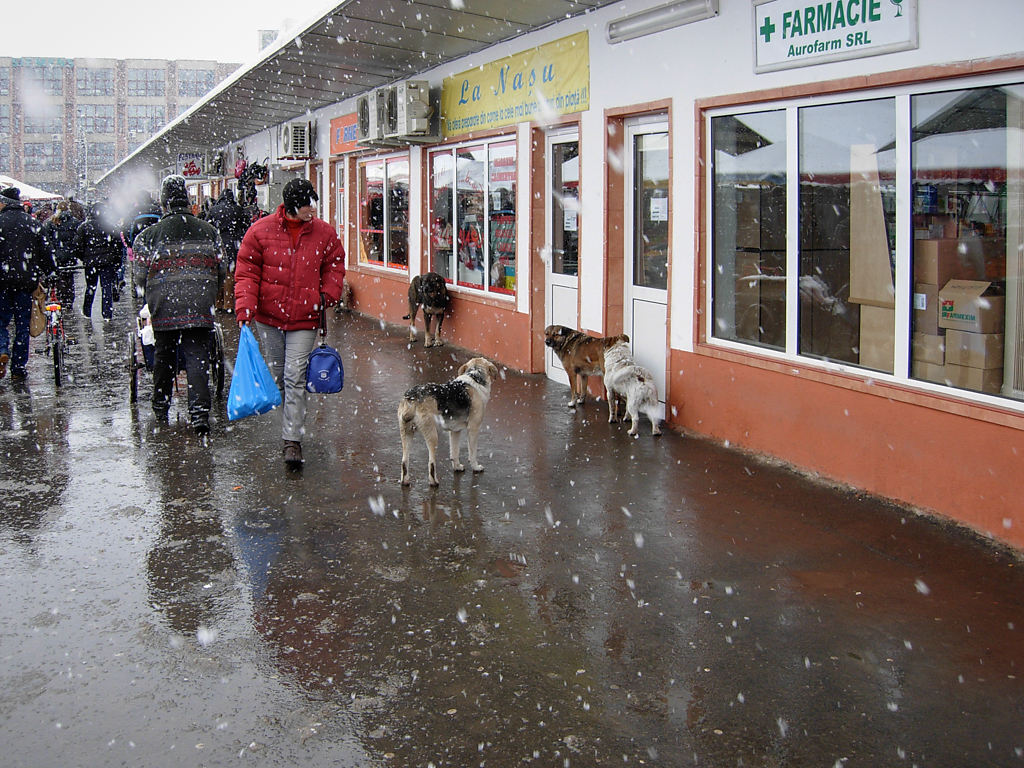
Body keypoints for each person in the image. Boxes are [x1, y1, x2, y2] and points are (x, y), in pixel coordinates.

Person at [234, 178, 346, 468]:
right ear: (294, 205)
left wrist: (327, 295)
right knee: (280, 376)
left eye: (314, 202)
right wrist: (245, 309)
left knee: (295, 376)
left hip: (305, 318)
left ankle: (292, 440)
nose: (313, 208)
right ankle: (290, 422)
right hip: (268, 319)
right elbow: (247, 273)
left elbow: (334, 265)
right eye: (308, 203)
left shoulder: (324, 233)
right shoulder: (259, 232)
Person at [133, 175, 225, 436]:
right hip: (199, 305)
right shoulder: (210, 232)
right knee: (198, 358)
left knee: (164, 356)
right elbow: (221, 269)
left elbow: (139, 275)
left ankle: (161, 406)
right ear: (187, 200)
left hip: (164, 306)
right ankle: (199, 415)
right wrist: (207, 293)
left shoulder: (148, 237)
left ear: (164, 202)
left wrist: (152, 294)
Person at [0, 187, 57, 382]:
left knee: (1, 322)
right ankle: (18, 367)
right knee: (23, 324)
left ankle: (1, 350)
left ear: (4, 203)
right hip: (26, 282)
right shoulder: (32, 223)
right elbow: (45, 252)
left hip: (1, 281)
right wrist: (51, 271)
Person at [73, 201, 125, 320]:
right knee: (106, 287)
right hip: (107, 263)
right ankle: (107, 314)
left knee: (91, 287)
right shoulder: (110, 226)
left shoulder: (84, 227)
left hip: (91, 264)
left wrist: (85, 258)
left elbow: (77, 246)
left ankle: (87, 312)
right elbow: (118, 246)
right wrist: (116, 261)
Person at [205, 189, 250, 312]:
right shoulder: (238, 210)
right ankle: (229, 304)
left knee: (217, 272)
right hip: (233, 243)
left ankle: (218, 303)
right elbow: (246, 226)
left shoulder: (214, 210)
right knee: (230, 273)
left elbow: (207, 226)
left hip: (217, 243)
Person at [42, 201, 82, 308]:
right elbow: (78, 239)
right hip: (70, 255)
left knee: (59, 277)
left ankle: (60, 298)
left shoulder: (51, 222)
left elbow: (46, 239)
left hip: (56, 255)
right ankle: (68, 300)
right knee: (69, 278)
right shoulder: (75, 222)